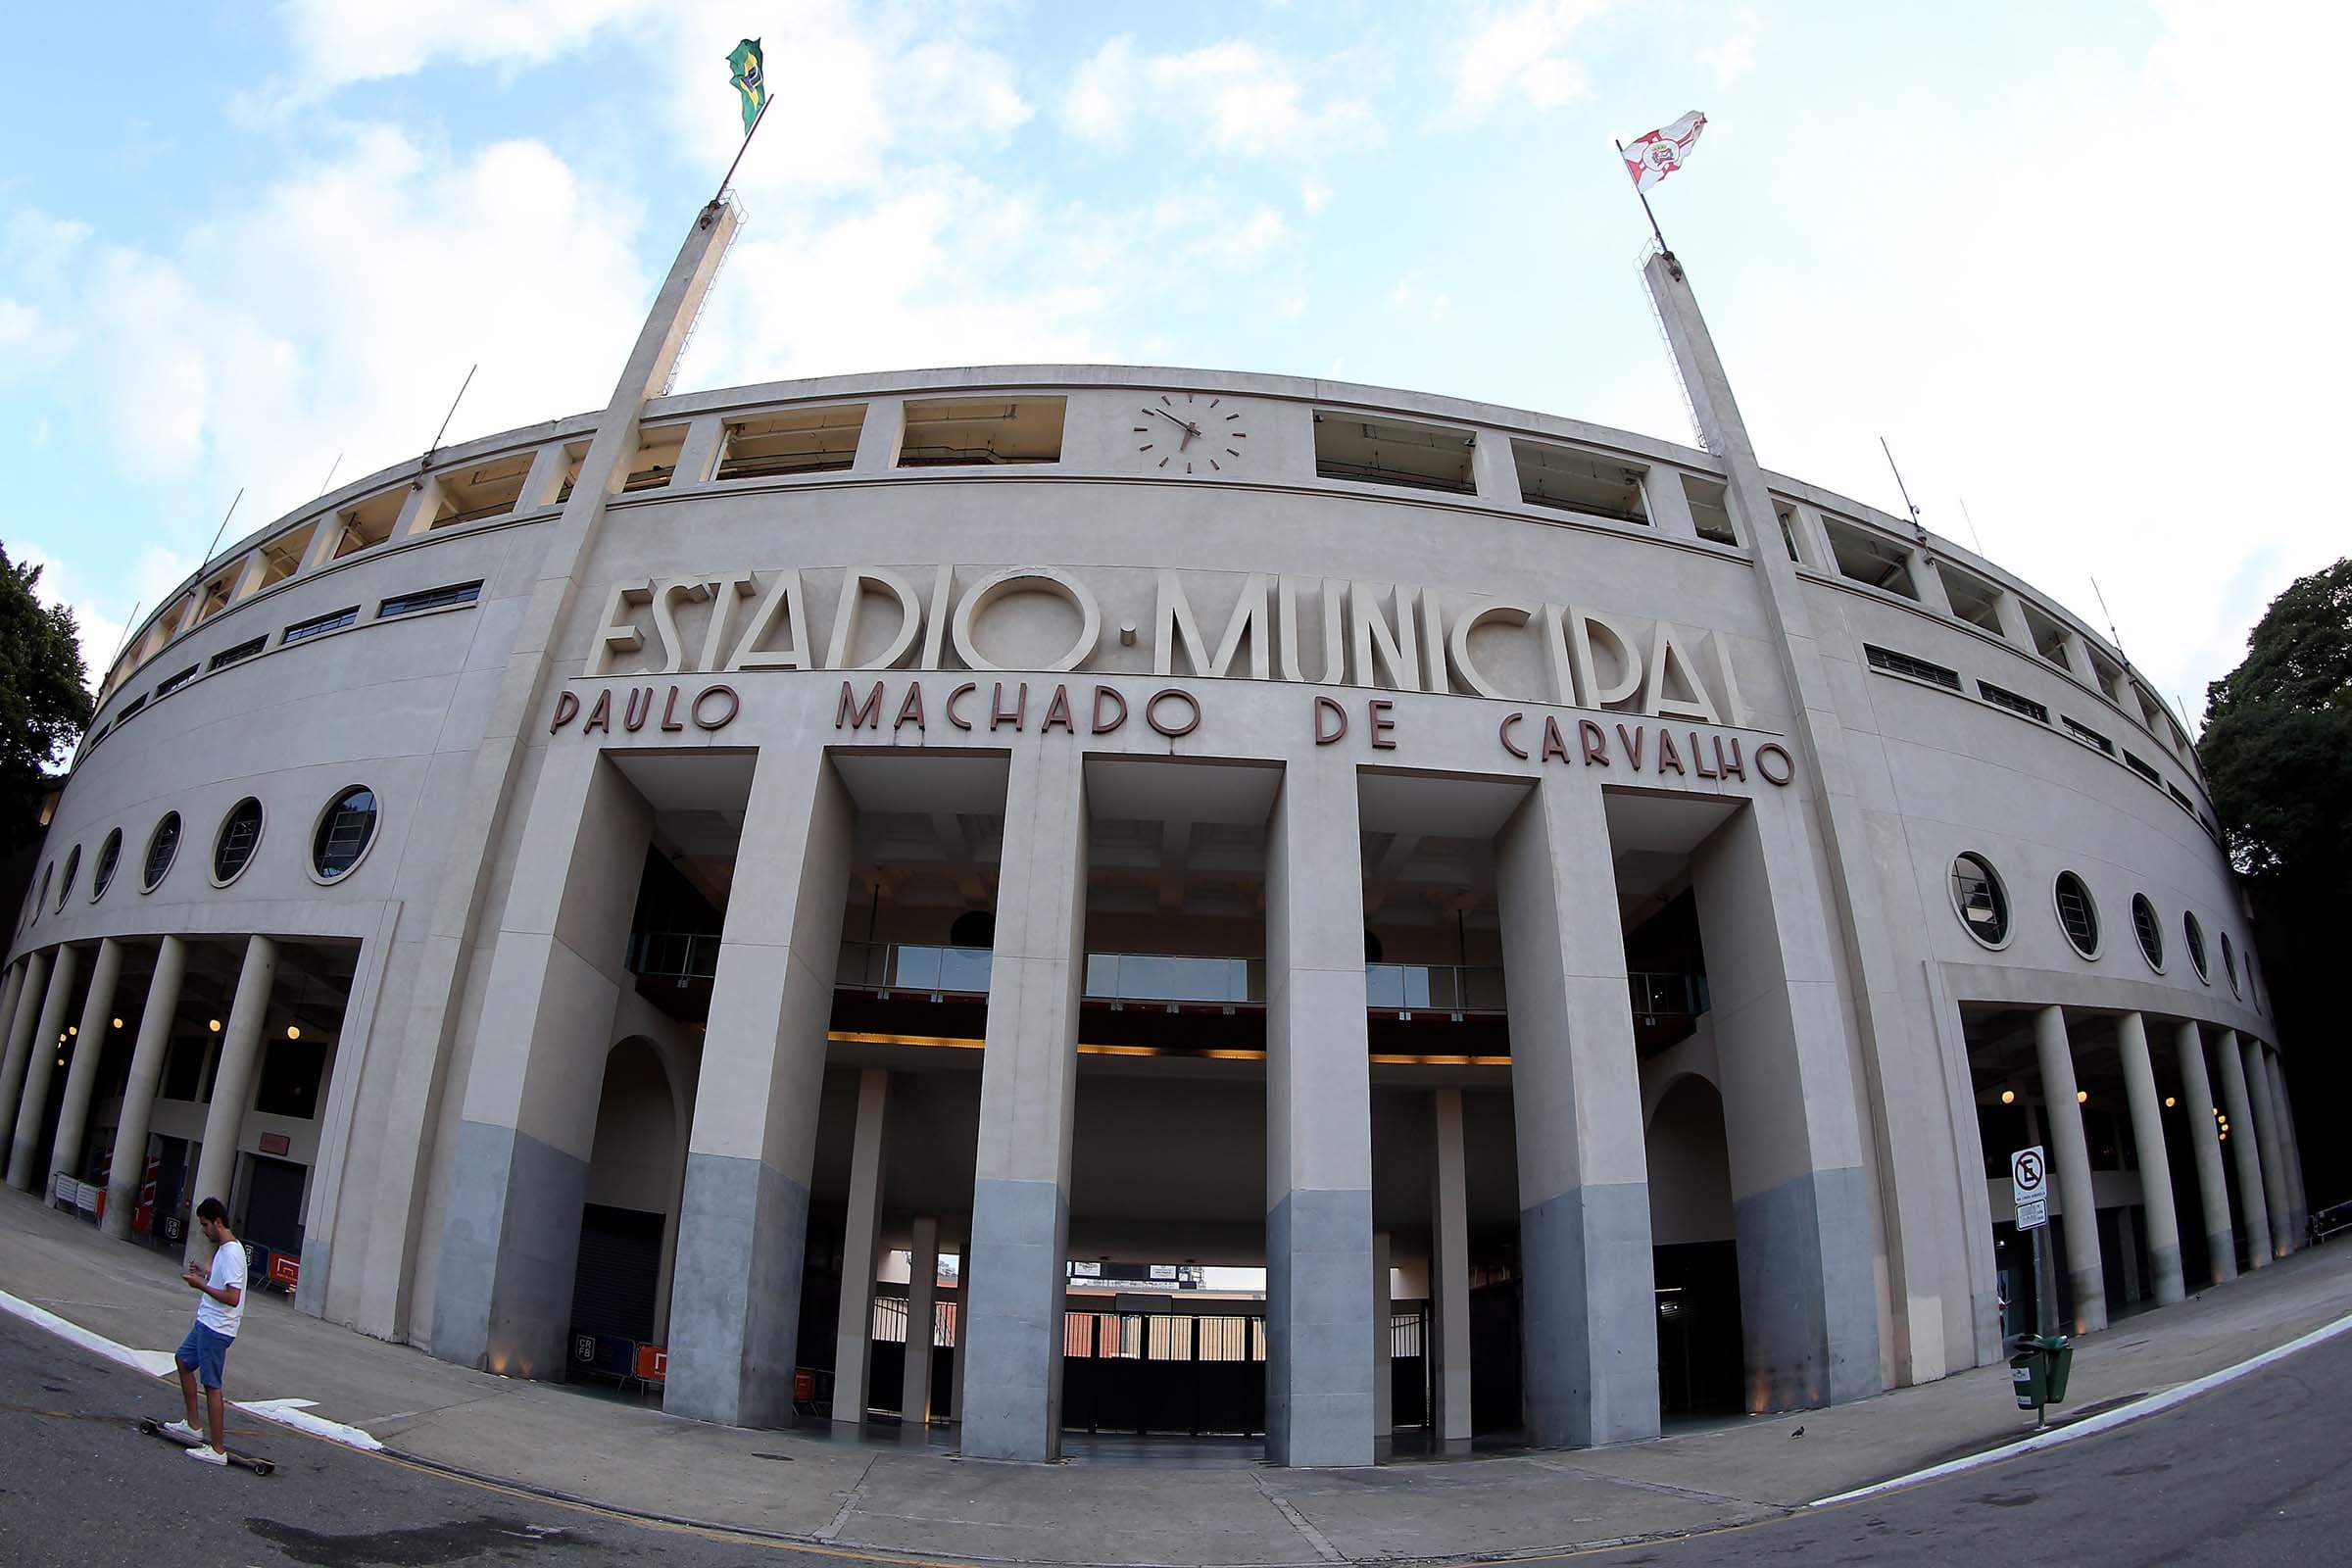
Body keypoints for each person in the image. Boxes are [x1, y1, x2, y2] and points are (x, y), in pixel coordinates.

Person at [160, 1198, 245, 1465]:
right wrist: (206, 1272)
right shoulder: (225, 1248)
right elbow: (222, 1277)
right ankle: (193, 1426)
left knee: (212, 1386)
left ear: (218, 1222)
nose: (204, 1230)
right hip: (206, 1322)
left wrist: (201, 1285)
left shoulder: (231, 1253)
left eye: (206, 1225)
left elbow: (232, 1297)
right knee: (183, 1361)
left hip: (217, 1328)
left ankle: (218, 1450)